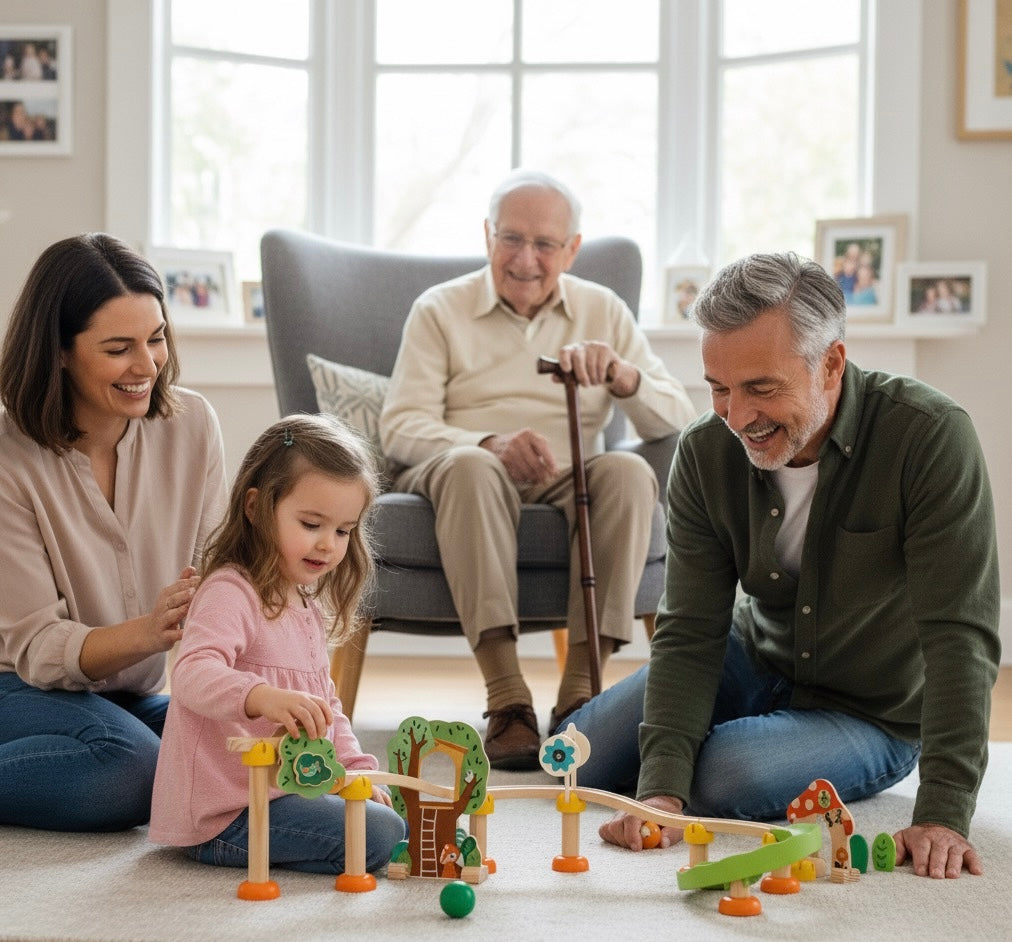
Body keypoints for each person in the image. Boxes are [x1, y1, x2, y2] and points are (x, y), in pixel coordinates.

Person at [566, 251, 1000, 879]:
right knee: (584, 754)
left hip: (871, 709)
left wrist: (944, 810)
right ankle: (718, 740)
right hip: (754, 657)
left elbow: (960, 633)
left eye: (762, 388)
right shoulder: (704, 453)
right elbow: (690, 629)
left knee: (726, 775)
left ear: (831, 364)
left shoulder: (929, 436)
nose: (737, 417)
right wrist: (660, 790)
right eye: (719, 389)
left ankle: (746, 744)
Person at [379, 169, 696, 770]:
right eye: (511, 239)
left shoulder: (603, 309)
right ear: (487, 236)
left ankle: (580, 697)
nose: (526, 259)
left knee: (628, 475)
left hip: (566, 469)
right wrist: (489, 442)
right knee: (473, 468)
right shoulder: (439, 310)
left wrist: (623, 377)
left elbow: (676, 417)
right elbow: (399, 426)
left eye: (545, 244)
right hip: (460, 466)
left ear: (572, 249)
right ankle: (507, 702)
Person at [0, 233, 228, 831]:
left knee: (242, 753)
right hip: (18, 689)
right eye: (118, 348)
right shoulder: (9, 460)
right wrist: (151, 632)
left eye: (156, 339)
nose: (148, 365)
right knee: (130, 769)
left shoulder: (193, 425)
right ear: (59, 352)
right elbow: (37, 648)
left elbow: (222, 573)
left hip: (125, 696)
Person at [149, 414, 407, 874]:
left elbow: (328, 707)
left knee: (402, 812)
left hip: (290, 790)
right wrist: (259, 697)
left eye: (344, 531)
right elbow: (190, 674)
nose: (329, 545)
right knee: (382, 833)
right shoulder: (231, 590)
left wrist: (358, 768)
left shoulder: (304, 605)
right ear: (256, 507)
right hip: (228, 816)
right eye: (311, 524)